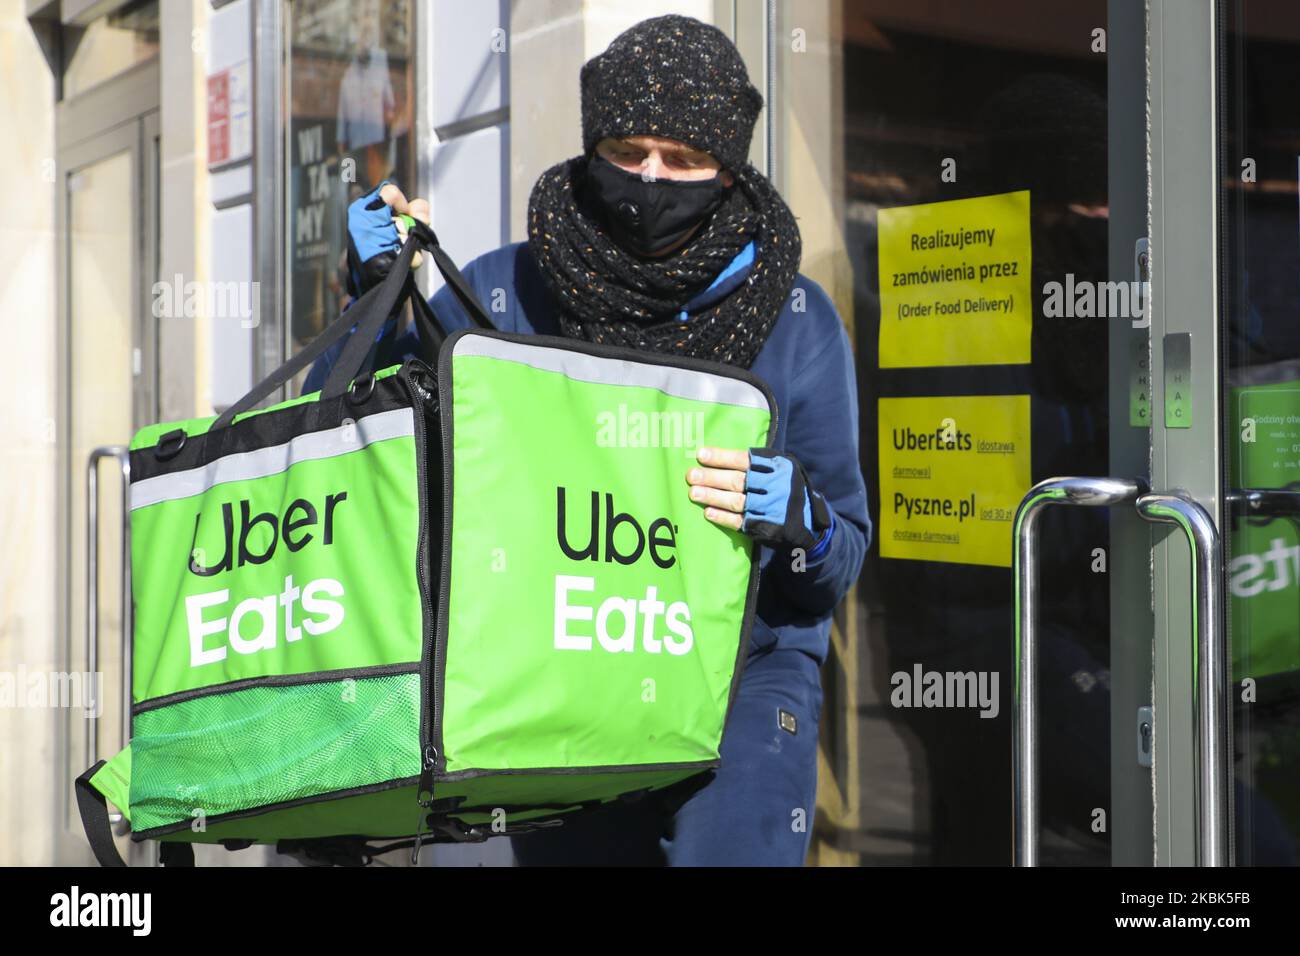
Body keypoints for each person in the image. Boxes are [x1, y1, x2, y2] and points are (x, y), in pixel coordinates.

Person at [303, 14, 870, 866]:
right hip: (541, 659)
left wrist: (803, 522)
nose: (650, 177)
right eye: (629, 148)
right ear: (592, 141)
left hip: (742, 678)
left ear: (728, 169)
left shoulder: (797, 322)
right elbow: (353, 434)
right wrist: (369, 294)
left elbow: (841, 558)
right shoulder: (501, 293)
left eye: (683, 160)